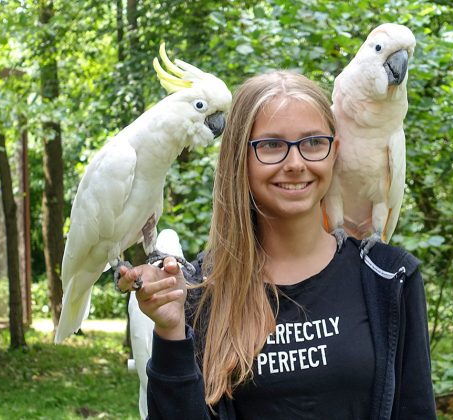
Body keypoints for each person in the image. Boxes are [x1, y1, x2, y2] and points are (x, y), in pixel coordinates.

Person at [117, 71, 436, 419]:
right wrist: (171, 332)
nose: (296, 164)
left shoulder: (388, 277)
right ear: (240, 158)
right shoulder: (198, 291)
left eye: (313, 142)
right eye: (271, 146)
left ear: (335, 151)